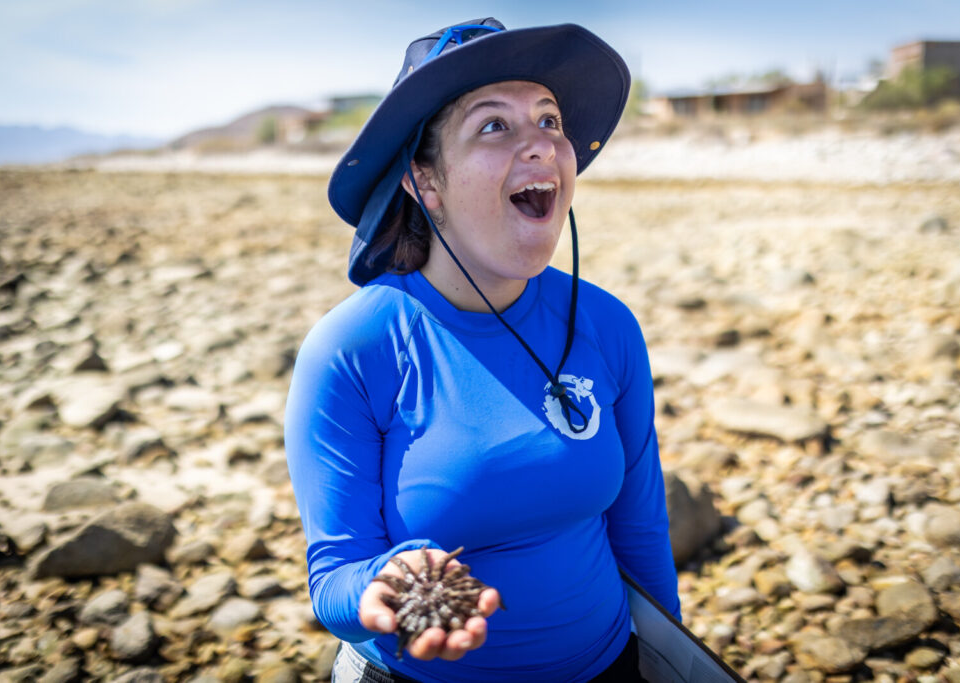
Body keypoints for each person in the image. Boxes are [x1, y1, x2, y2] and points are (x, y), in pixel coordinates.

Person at [284, 17, 680, 682]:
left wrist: (671, 665)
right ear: (424, 182)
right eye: (494, 125)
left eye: (550, 121)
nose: (541, 146)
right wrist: (385, 587)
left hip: (611, 667)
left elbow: (640, 533)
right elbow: (334, 577)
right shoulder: (353, 348)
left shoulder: (607, 325)